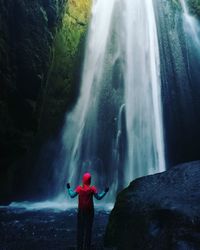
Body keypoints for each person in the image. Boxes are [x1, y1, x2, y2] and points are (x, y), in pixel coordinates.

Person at [66, 172, 109, 250]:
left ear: (83, 180)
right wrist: (105, 191)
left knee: (80, 229)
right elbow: (99, 197)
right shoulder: (92, 188)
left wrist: (69, 188)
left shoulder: (79, 188)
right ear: (90, 180)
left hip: (81, 211)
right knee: (88, 229)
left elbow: (72, 195)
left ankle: (79, 247)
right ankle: (87, 247)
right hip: (90, 211)